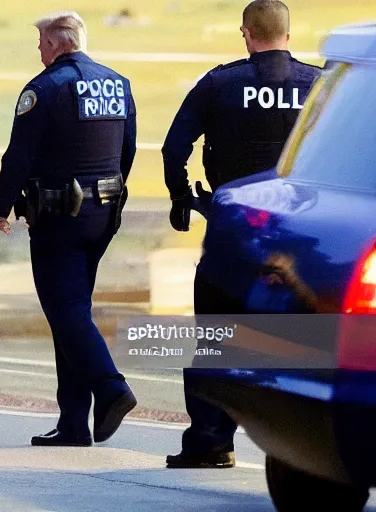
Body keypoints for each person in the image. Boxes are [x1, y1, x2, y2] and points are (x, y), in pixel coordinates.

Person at [162, 0, 322, 468]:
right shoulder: (317, 85)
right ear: (287, 37)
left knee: (216, 336)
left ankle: (211, 440)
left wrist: (180, 198)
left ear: (246, 34)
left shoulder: (220, 83)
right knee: (303, 340)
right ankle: (303, 448)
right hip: (300, 234)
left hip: (234, 229)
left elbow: (175, 148)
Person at [0, 11, 137, 446]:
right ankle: (73, 422)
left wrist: (0, 207)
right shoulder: (117, 83)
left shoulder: (45, 89)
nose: (38, 51)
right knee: (74, 310)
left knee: (66, 310)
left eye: (41, 43)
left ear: (57, 44)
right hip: (104, 214)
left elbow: (19, 156)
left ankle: (111, 387)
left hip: (60, 217)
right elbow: (126, 151)